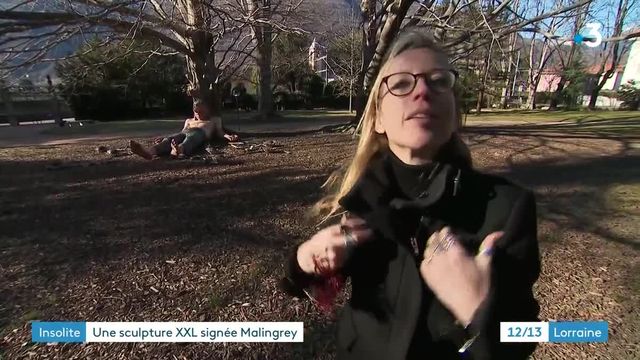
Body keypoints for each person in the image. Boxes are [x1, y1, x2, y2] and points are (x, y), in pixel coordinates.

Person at [282, 28, 540, 360]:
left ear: (454, 112)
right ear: (378, 119)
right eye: (402, 84)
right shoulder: (359, 203)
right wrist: (304, 260)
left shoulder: (508, 206)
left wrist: (479, 311)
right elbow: (306, 288)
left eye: (438, 81)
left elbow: (527, 334)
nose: (422, 91)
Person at [129, 100, 239, 160]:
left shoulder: (214, 120)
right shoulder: (188, 120)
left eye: (201, 111)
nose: (198, 113)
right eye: (196, 111)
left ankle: (178, 150)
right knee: (169, 139)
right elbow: (181, 132)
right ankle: (148, 152)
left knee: (191, 139)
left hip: (200, 134)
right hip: (185, 132)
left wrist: (228, 136)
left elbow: (220, 132)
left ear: (206, 110)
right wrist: (164, 138)